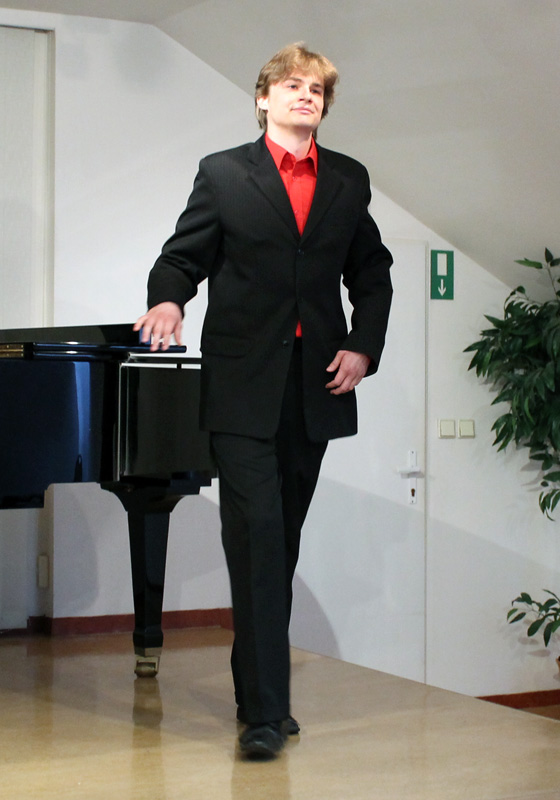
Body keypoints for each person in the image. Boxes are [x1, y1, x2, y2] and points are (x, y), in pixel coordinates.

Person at [134, 42, 393, 759]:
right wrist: (169, 300)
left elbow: (372, 272)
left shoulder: (348, 179)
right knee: (256, 535)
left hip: (315, 389)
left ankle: (263, 691)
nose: (306, 96)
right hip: (241, 387)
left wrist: (363, 346)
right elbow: (180, 257)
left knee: (279, 542)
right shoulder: (224, 173)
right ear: (263, 98)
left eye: (317, 90)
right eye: (293, 85)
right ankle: (264, 714)